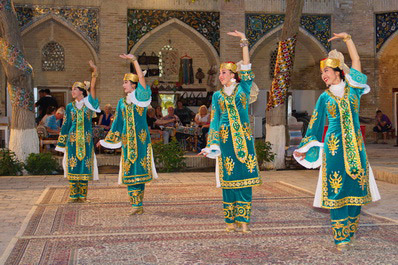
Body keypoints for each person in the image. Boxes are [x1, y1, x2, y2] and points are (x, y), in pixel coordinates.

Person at [293, 33, 381, 252]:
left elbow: (357, 64)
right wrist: (306, 148)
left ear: (339, 71)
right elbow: (314, 124)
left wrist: (349, 39)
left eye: (327, 71)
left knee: (356, 189)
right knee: (336, 189)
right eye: (322, 72)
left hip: (356, 149)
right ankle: (340, 237)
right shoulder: (324, 98)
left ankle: (350, 230)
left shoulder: (354, 92)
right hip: (333, 150)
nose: (324, 75)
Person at [200, 30, 261, 233]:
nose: (220, 76)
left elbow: (247, 66)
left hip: (244, 140)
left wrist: (244, 41)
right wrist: (211, 144)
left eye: (224, 73)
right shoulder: (217, 96)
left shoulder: (243, 89)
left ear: (234, 75)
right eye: (220, 73)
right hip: (225, 142)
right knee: (229, 180)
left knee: (244, 180)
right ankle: (230, 220)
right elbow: (215, 120)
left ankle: (244, 220)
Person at [99, 54, 158, 215]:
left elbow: (142, 78)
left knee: (139, 170)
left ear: (134, 85)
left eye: (126, 82)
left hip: (141, 141)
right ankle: (135, 204)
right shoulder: (121, 102)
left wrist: (134, 61)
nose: (123, 84)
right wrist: (107, 140)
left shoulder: (141, 98)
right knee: (130, 170)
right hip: (126, 141)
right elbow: (117, 122)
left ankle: (138, 203)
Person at [55, 60, 100, 203]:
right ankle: (74, 195)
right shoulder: (69, 107)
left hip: (86, 140)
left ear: (81, 91)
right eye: (72, 90)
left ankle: (83, 195)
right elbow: (66, 124)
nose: (72, 92)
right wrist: (61, 143)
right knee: (73, 165)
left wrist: (94, 73)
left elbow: (93, 89)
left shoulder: (89, 104)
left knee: (85, 165)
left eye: (75, 90)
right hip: (72, 141)